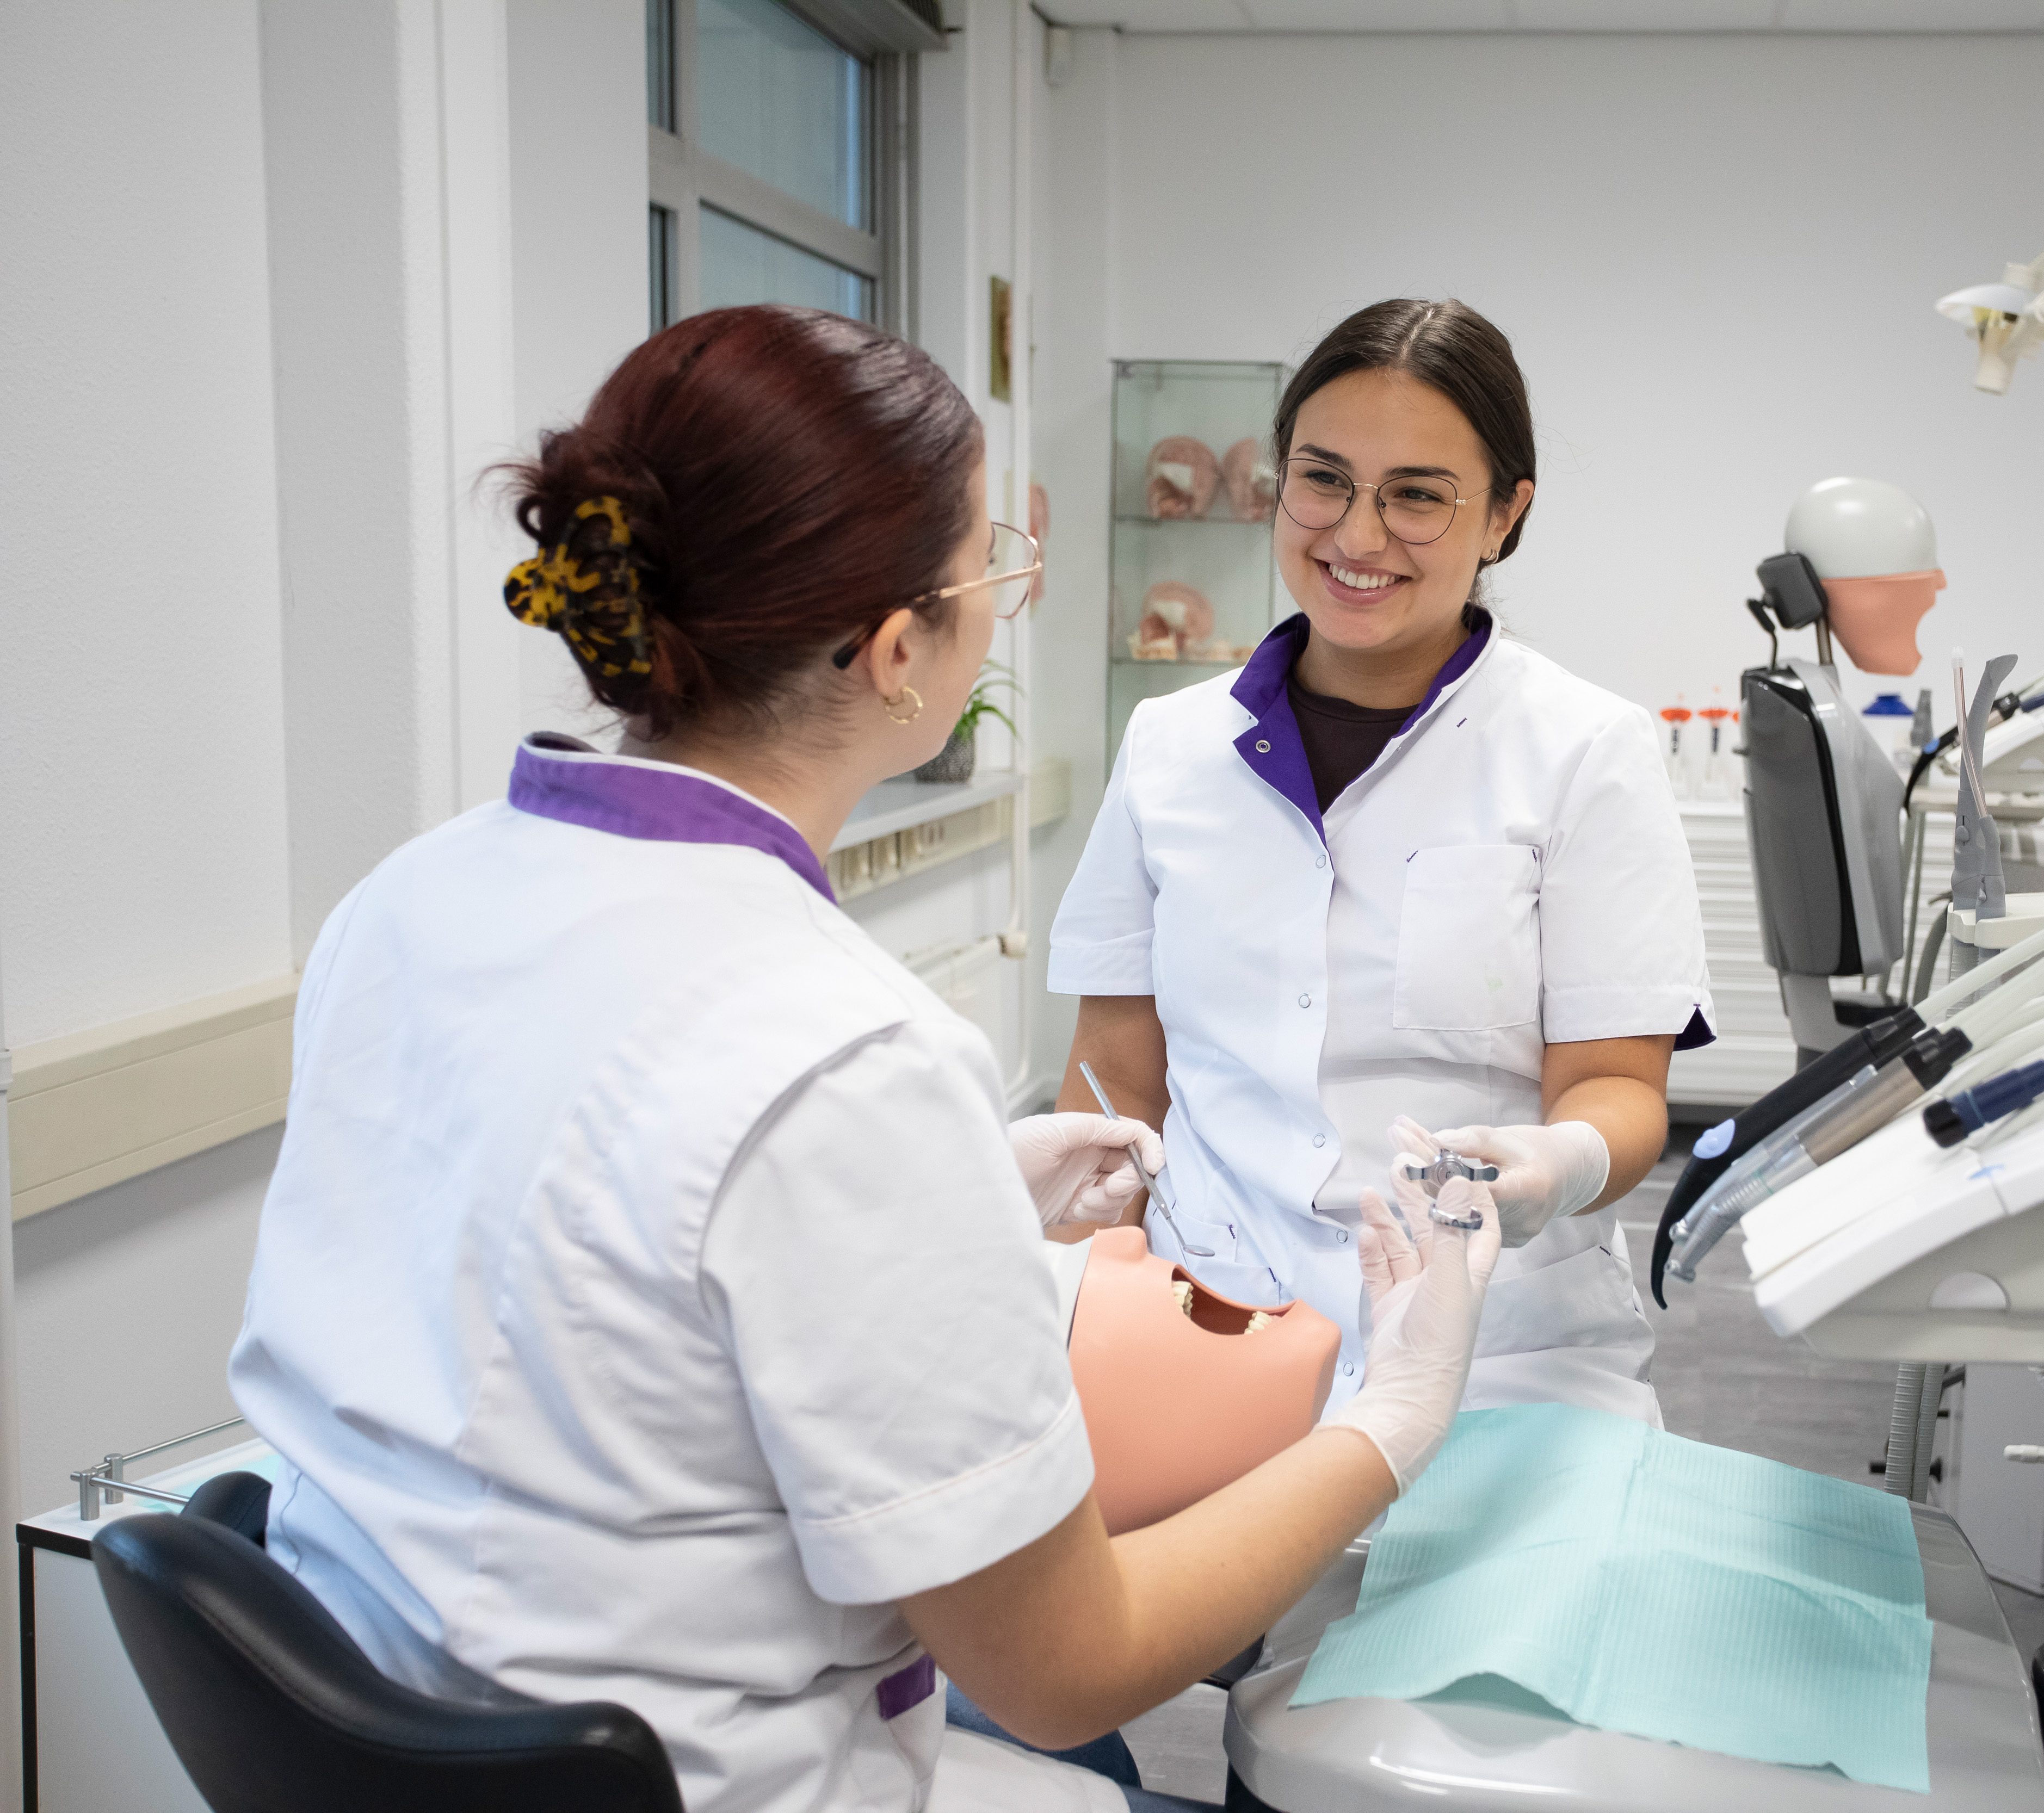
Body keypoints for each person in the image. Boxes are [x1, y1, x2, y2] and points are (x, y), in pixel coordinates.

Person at [227, 304, 1503, 1813]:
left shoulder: (414, 893)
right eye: (988, 564)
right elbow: (1065, 1663)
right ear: (904, 651)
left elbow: (553, 1257)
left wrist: (942, 1198)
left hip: (405, 1717)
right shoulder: (848, 1052)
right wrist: (1396, 1413)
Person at [1050, 299, 1713, 1427]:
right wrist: (1074, 1302)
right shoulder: (1169, 746)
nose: (1356, 536)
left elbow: (1618, 1087)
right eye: (1322, 480)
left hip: (1493, 1350)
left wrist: (1555, 1161)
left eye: (1416, 494)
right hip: (1202, 1327)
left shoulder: (1584, 750)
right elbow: (1116, 1070)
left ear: (1504, 514)